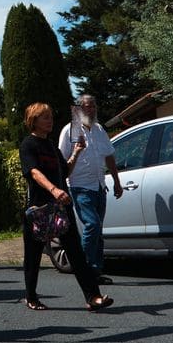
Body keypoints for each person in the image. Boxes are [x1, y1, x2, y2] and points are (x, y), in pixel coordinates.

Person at [18, 102, 112, 312]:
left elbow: (65, 172)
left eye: (51, 116)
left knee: (76, 252)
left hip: (61, 207)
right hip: (39, 209)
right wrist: (53, 190)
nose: (50, 120)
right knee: (32, 257)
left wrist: (76, 153)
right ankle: (31, 297)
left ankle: (93, 297)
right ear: (33, 121)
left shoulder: (51, 146)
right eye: (45, 117)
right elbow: (34, 172)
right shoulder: (28, 145)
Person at [57, 94, 123, 284]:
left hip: (99, 186)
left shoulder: (99, 129)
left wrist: (117, 182)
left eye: (93, 106)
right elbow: (62, 161)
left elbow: (109, 156)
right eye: (87, 107)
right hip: (79, 186)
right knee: (92, 224)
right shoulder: (69, 130)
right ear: (78, 109)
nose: (91, 110)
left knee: (97, 229)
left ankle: (95, 271)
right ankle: (83, 268)